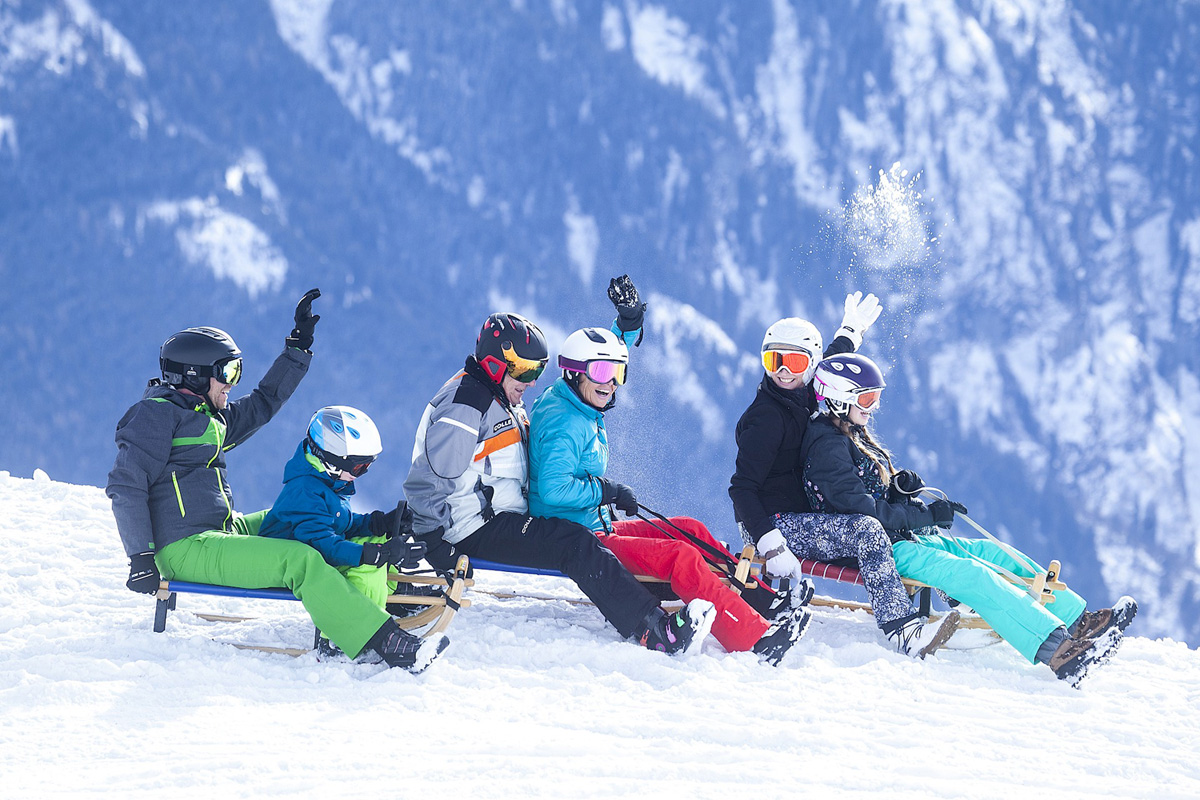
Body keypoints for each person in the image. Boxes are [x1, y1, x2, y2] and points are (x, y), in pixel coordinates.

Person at [107, 291, 445, 672]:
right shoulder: (154, 416)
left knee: (306, 516)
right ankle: (384, 642)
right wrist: (140, 557)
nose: (232, 383)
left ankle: (388, 593)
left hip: (221, 529)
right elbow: (126, 485)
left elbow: (263, 403)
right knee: (299, 559)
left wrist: (296, 350)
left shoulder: (205, 416)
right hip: (185, 546)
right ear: (195, 375)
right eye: (227, 373)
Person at [801, 352, 1137, 685]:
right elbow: (861, 511)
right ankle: (1059, 653)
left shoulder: (848, 432)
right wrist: (924, 516)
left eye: (876, 398)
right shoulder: (826, 447)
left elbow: (873, 496)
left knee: (996, 554)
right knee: (971, 575)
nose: (872, 406)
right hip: (879, 551)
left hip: (902, 538)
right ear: (838, 398)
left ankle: (1080, 622)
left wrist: (901, 491)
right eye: (866, 398)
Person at [529, 276, 810, 665]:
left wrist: (626, 327)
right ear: (575, 373)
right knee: (681, 557)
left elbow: (603, 361)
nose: (610, 384)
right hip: (579, 533)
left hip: (594, 522)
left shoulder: (576, 397)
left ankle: (763, 600)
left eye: (616, 374)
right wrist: (605, 490)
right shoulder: (565, 422)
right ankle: (754, 639)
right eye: (600, 375)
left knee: (687, 529)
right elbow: (555, 489)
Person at [403, 310, 716, 656]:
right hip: (473, 527)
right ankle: (654, 630)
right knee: (574, 544)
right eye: (524, 369)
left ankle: (649, 592)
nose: (533, 380)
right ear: (495, 363)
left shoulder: (498, 395)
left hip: (498, 518)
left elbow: (586, 373)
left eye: (537, 369)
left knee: (576, 537)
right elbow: (428, 479)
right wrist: (432, 540)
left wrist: (622, 333)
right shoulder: (466, 406)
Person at [728, 296, 958, 659]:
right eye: (774, 361)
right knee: (868, 528)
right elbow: (741, 488)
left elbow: (831, 363)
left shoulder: (805, 391)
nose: (783, 371)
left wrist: (851, 332)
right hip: (771, 523)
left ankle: (959, 598)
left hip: (807, 515)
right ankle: (900, 628)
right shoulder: (765, 419)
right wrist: (770, 543)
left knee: (891, 511)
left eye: (795, 361)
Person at [258, 406, 431, 655]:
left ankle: (391, 597)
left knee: (376, 540)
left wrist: (379, 523)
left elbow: (342, 524)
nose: (363, 474)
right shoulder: (305, 491)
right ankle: (341, 637)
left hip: (314, 552)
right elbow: (324, 546)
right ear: (332, 460)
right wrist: (377, 554)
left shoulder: (326, 480)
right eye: (360, 467)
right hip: (286, 565)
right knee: (368, 565)